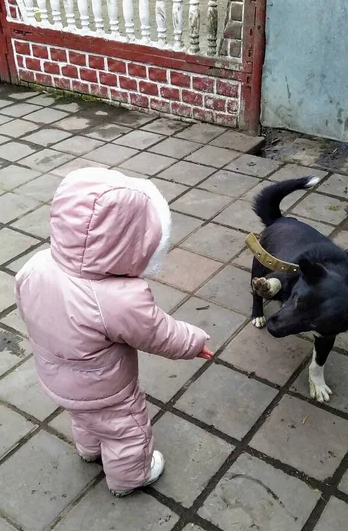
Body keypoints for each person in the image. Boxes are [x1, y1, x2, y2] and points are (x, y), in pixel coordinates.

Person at [15, 168, 212, 497]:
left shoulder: (36, 265)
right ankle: (130, 478)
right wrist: (194, 342)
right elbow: (159, 333)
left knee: (84, 417)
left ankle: (90, 450)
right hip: (106, 388)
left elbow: (26, 306)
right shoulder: (119, 298)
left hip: (55, 376)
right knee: (127, 432)